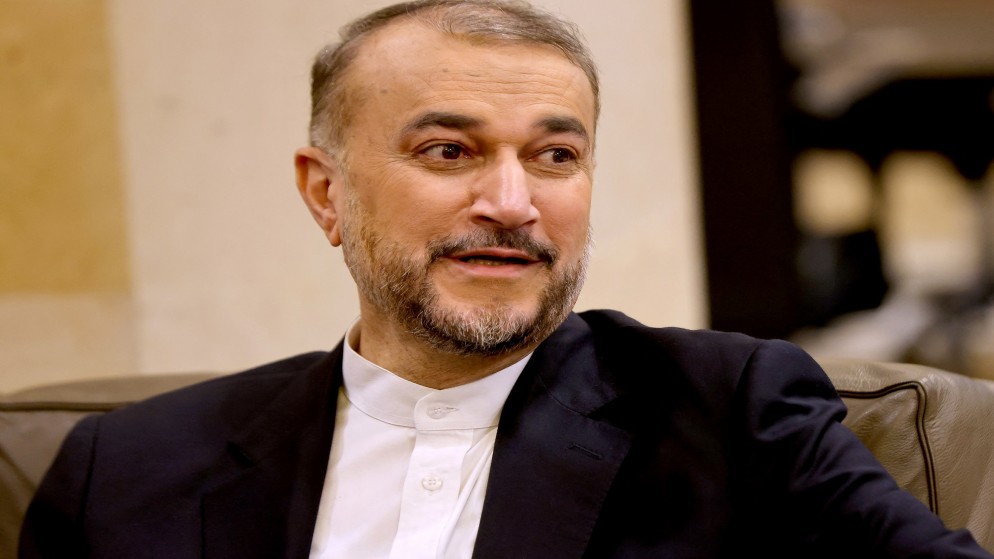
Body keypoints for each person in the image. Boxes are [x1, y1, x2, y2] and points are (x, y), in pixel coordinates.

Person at [18, 1, 994, 557]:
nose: (512, 202)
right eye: (449, 151)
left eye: (555, 156)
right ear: (326, 193)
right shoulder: (127, 468)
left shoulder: (731, 412)